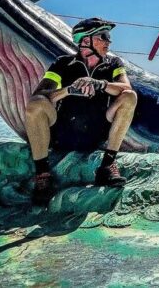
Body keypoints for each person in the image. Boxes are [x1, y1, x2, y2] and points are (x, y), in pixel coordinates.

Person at [24, 17, 138, 205]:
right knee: (36, 103)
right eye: (104, 36)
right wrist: (68, 89)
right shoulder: (63, 63)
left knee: (130, 97)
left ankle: (107, 165)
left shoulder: (114, 63)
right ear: (86, 41)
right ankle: (43, 174)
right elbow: (41, 94)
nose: (109, 41)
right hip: (63, 131)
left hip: (98, 130)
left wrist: (100, 84)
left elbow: (125, 87)